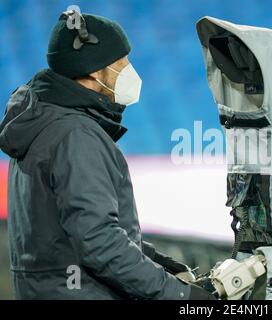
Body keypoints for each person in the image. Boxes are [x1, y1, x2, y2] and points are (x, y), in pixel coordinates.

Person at [0, 11, 214, 300]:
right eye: (121, 64)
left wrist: (159, 263)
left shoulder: (43, 124)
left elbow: (71, 232)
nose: (129, 71)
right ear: (92, 71)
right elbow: (100, 243)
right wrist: (181, 296)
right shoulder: (76, 135)